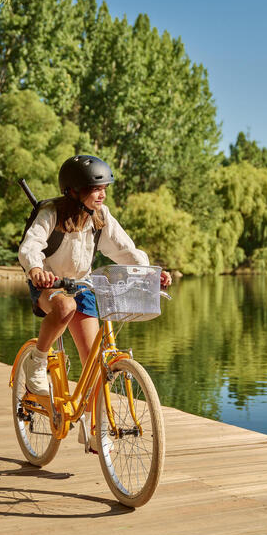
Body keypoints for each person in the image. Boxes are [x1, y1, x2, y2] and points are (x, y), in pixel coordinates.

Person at [18, 154, 171, 450]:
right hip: (50, 283)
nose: (102, 194)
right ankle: (37, 361)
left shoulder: (100, 216)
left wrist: (151, 274)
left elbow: (125, 250)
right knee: (65, 307)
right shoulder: (51, 212)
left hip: (82, 285)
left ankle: (93, 429)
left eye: (104, 188)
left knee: (95, 364)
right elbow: (31, 245)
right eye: (95, 189)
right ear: (73, 191)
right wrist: (36, 269)